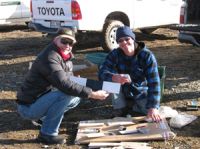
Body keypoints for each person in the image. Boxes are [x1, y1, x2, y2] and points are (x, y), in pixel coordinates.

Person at [16, 28, 109, 145]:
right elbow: (64, 84)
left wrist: (81, 84)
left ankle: (44, 119)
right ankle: (47, 134)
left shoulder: (66, 58)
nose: (67, 45)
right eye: (64, 41)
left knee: (75, 98)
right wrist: (92, 94)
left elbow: (68, 80)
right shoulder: (50, 57)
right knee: (65, 94)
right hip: (28, 108)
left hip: (40, 100)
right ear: (55, 40)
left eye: (70, 43)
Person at [98, 26, 162, 122]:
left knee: (150, 113)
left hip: (140, 91)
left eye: (127, 39)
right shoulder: (114, 54)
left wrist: (153, 107)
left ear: (133, 39)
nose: (124, 42)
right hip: (122, 91)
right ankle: (120, 108)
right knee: (111, 80)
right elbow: (102, 72)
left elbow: (154, 83)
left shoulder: (147, 55)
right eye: (120, 41)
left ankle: (133, 106)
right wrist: (114, 77)